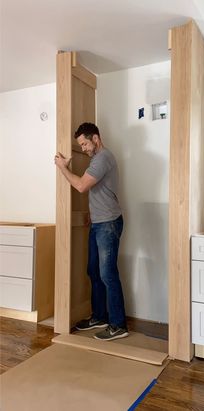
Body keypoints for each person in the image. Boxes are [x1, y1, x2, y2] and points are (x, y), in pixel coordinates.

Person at [54, 122, 128, 341]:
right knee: (94, 271)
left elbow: (81, 186)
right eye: (81, 145)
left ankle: (118, 325)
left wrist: (62, 167)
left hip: (108, 223)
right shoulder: (96, 160)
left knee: (107, 274)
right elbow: (95, 190)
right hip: (98, 223)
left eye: (85, 143)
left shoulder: (103, 158)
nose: (84, 148)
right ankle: (99, 316)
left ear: (96, 138)